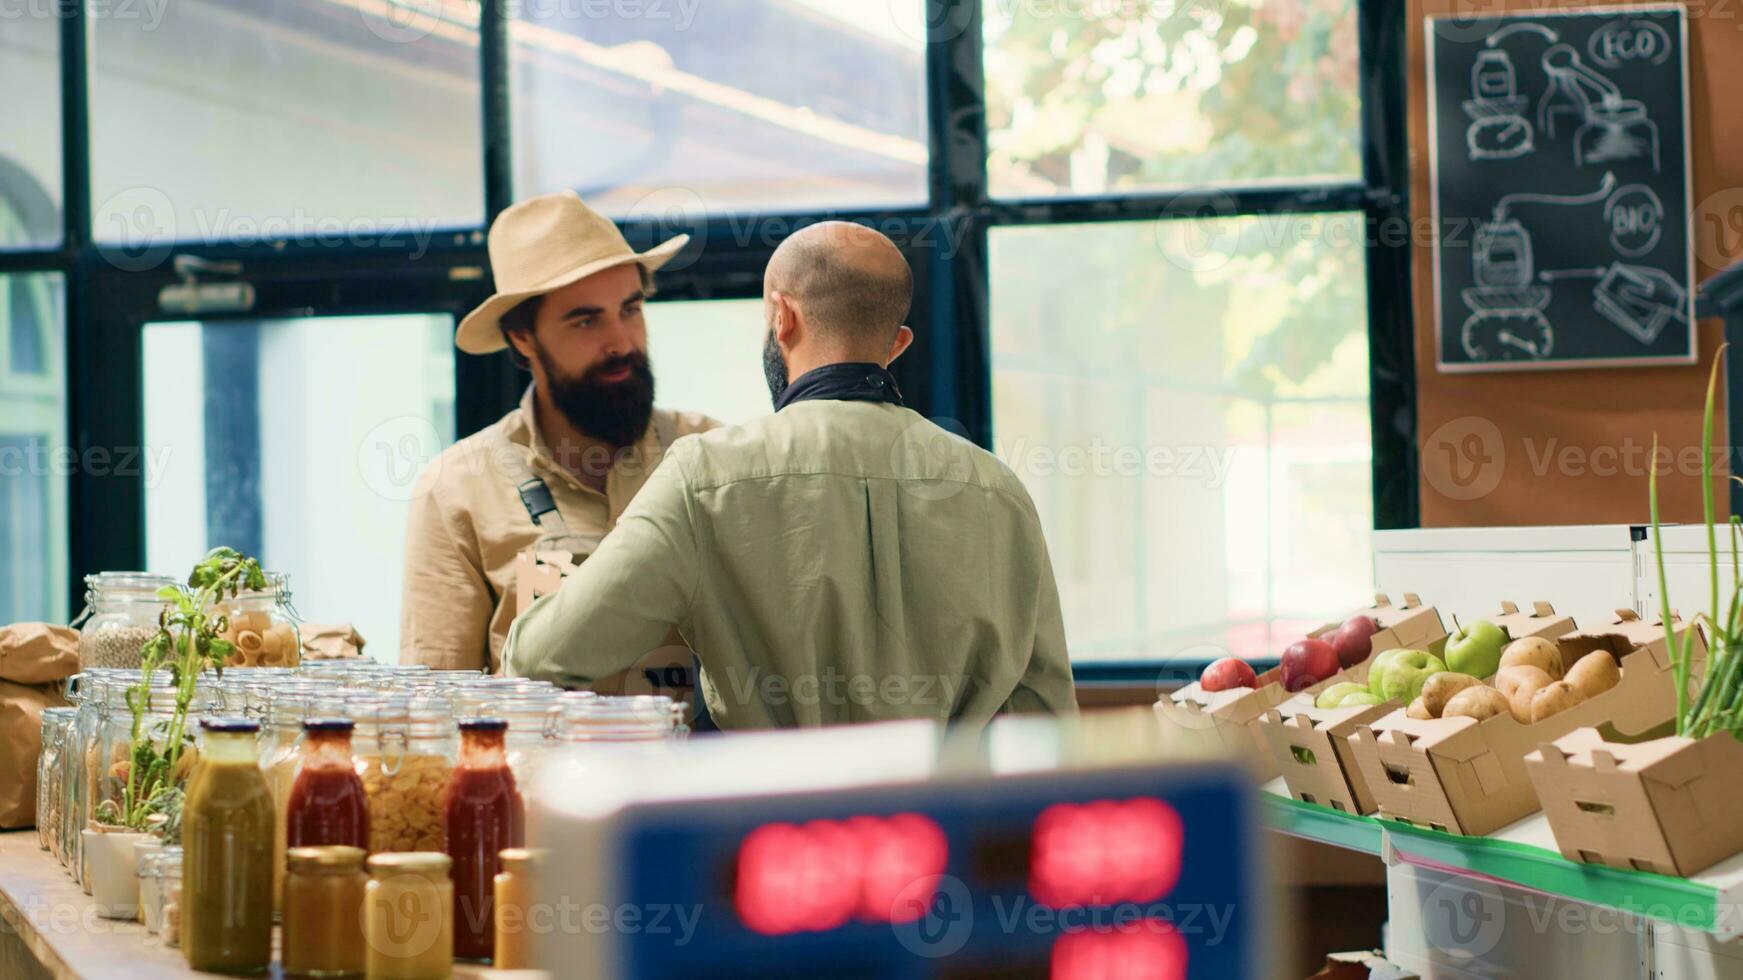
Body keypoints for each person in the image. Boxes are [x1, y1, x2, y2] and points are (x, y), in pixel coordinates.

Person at [503, 221, 1075, 728]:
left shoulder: (706, 475)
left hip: (772, 836)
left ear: (783, 317)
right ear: (896, 345)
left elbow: (547, 655)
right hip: (945, 836)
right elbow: (1043, 716)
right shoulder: (998, 489)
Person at [400, 190, 719, 671]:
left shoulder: (710, 456)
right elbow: (440, 699)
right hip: (539, 748)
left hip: (702, 749)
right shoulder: (458, 490)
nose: (620, 342)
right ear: (522, 337)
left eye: (630, 309)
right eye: (586, 320)